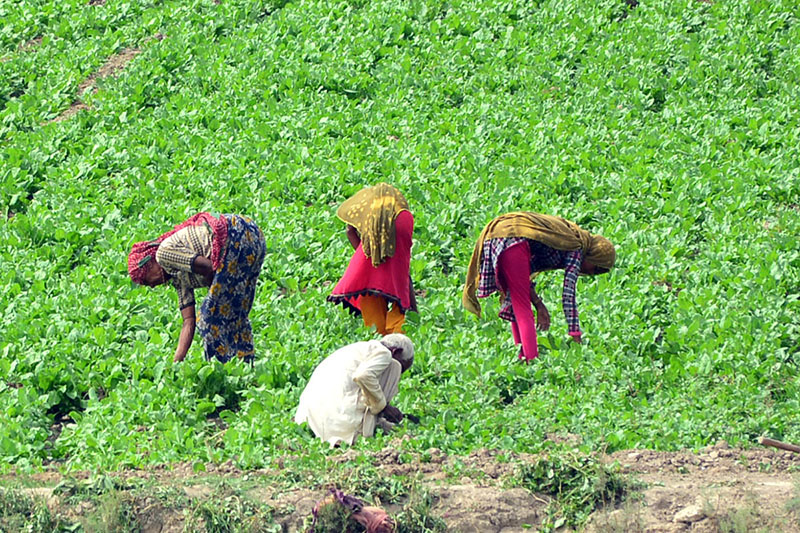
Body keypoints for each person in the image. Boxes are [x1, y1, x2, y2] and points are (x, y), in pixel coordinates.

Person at [463, 212, 615, 362]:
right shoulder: (576, 247)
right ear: (593, 256)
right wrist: (575, 335)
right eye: (595, 268)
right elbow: (568, 295)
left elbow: (523, 276)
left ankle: (522, 354)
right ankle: (531, 360)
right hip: (512, 238)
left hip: (497, 235)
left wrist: (539, 305)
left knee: (516, 299)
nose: (590, 272)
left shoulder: (569, 239)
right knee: (522, 306)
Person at [127, 212, 265, 364]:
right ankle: (246, 367)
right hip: (253, 238)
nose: (152, 285)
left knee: (209, 318)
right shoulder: (177, 277)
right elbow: (188, 321)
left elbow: (208, 268)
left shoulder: (164, 254)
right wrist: (176, 363)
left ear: (149, 264)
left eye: (147, 281)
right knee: (236, 315)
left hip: (235, 236)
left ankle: (222, 370)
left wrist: (214, 297)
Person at [327, 183, 417, 335]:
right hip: (393, 266)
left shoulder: (372, 221)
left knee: (375, 328)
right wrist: (414, 309)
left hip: (366, 268)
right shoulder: (403, 218)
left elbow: (350, 231)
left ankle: (381, 338)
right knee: (400, 318)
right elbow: (404, 274)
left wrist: (369, 256)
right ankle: (395, 335)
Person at [295, 334, 414, 448]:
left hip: (311, 419)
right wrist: (383, 406)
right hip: (340, 424)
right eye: (402, 369)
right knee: (393, 366)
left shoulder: (357, 349)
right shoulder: (384, 353)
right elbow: (363, 375)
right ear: (395, 352)